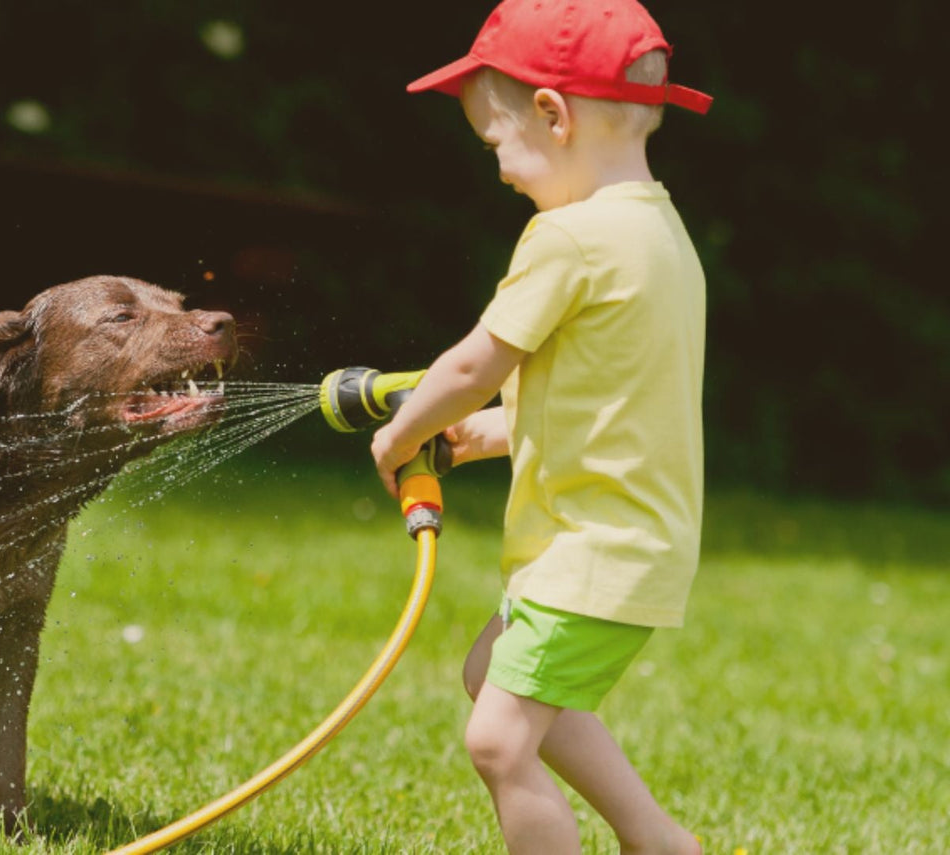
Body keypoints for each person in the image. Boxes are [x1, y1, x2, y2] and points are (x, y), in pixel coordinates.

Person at [370, 1, 712, 852]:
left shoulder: (567, 237)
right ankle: (660, 842)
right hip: (626, 540)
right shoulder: (659, 234)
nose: (500, 172)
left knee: (498, 738)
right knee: (493, 676)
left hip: (594, 547)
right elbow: (614, 396)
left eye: (498, 144)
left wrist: (399, 435)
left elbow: (470, 362)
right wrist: (491, 434)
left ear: (553, 117)